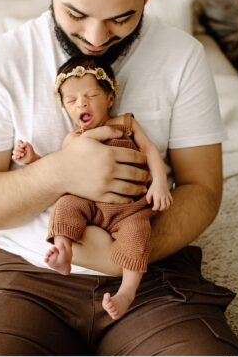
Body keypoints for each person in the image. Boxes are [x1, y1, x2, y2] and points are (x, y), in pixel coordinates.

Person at [0, 0, 238, 356]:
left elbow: (203, 188)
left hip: (151, 269)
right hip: (27, 270)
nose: (96, 36)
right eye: (76, 13)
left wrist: (126, 255)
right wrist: (62, 172)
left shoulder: (183, 57)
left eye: (120, 17)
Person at [13, 55, 172, 320]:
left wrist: (160, 182)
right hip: (88, 203)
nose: (81, 104)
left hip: (130, 206)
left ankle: (127, 292)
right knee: (66, 205)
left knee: (138, 233)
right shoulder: (73, 139)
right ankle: (64, 250)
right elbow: (56, 170)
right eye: (72, 100)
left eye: (90, 95)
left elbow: (149, 150)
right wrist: (33, 160)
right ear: (64, 107)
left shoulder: (126, 124)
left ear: (110, 98)